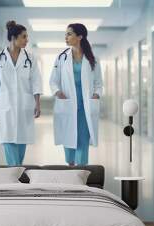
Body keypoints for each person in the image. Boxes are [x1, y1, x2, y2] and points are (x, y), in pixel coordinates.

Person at [49, 23, 103, 166]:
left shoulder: (93, 58)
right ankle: (71, 165)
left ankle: (81, 172)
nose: (66, 37)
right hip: (68, 103)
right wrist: (58, 92)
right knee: (69, 141)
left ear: (80, 36)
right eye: (66, 34)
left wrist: (96, 95)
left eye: (69, 34)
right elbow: (53, 81)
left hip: (85, 106)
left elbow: (98, 83)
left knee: (82, 140)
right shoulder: (61, 58)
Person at [0, 20, 42, 166]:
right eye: (24, 36)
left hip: (24, 104)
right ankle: (15, 171)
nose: (27, 40)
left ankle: (16, 171)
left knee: (21, 140)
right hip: (4, 104)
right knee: (7, 139)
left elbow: (36, 81)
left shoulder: (30, 58)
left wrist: (38, 104)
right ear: (14, 37)